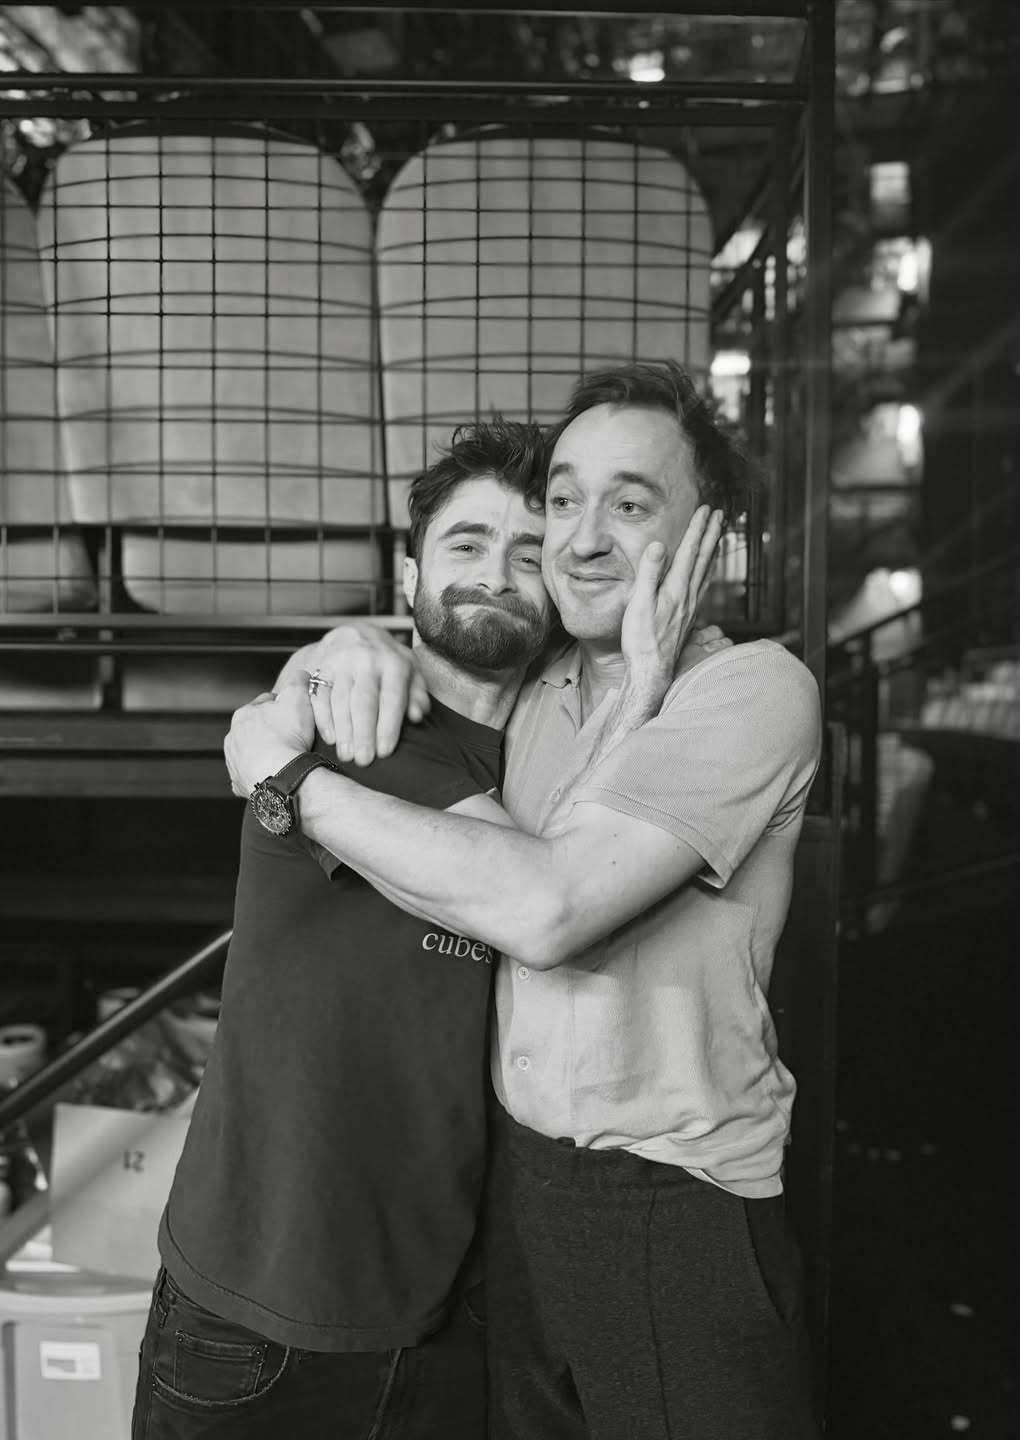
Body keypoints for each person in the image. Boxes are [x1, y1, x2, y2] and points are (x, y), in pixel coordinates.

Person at [227, 360, 824, 1439]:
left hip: (674, 1196)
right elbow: (427, 645)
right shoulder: (539, 685)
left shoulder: (751, 690)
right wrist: (332, 652)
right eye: (563, 499)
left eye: (630, 506)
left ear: (712, 537)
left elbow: (552, 910)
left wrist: (289, 785)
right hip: (521, 1189)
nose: (580, 538)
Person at [132, 420, 558, 1440]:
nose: (495, 574)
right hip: (255, 1319)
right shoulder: (345, 725)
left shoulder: (550, 759)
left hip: (443, 1315)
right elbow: (540, 897)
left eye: (529, 553)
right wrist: (332, 654)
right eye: (467, 544)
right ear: (410, 574)